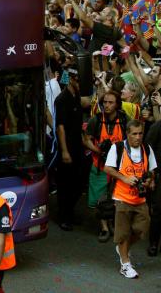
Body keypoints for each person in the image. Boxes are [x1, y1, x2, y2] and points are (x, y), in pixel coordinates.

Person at [104, 119, 157, 279]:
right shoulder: (118, 148)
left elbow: (152, 171)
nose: (138, 137)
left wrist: (149, 181)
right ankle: (125, 264)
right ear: (127, 134)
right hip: (122, 197)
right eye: (134, 134)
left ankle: (122, 249)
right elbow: (107, 168)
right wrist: (125, 178)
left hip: (140, 199)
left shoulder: (147, 149)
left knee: (142, 229)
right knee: (123, 232)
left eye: (140, 133)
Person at [85, 90, 128, 242]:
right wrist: (98, 150)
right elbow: (87, 139)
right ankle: (104, 227)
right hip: (100, 165)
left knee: (117, 198)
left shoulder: (124, 120)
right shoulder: (95, 120)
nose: (107, 105)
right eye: (105, 102)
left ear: (117, 104)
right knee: (98, 198)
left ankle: (112, 224)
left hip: (118, 167)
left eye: (111, 102)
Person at [54, 67, 87, 231]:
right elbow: (60, 128)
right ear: (72, 79)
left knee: (79, 182)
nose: (81, 84)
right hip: (66, 146)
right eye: (79, 80)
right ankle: (63, 217)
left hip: (78, 145)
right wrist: (65, 151)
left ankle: (71, 212)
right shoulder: (62, 100)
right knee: (65, 184)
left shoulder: (77, 97)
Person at [145, 110, 161, 256]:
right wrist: (150, 176)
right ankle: (153, 244)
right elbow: (147, 151)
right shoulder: (159, 126)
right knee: (159, 209)